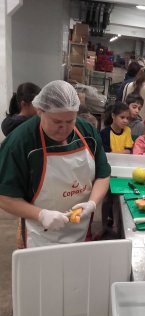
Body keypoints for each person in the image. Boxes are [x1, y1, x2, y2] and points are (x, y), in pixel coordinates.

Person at [0, 80, 111, 248]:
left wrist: (92, 203)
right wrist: (41, 215)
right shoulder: (20, 143)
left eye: (70, 121)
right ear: (40, 111)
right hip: (40, 233)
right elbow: (5, 197)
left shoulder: (87, 132)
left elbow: (103, 175)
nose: (64, 128)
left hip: (80, 228)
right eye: (57, 122)